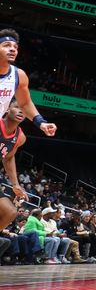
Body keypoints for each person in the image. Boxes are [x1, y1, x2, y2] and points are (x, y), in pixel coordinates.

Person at [0, 29, 57, 136]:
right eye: (7, 45)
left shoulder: (19, 75)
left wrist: (41, 123)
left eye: (15, 47)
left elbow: (25, 103)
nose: (12, 49)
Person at [0, 99, 27, 234]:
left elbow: (9, 157)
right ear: (7, 109)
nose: (21, 110)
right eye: (17, 107)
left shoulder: (20, 137)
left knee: (10, 212)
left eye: (24, 109)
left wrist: (15, 184)